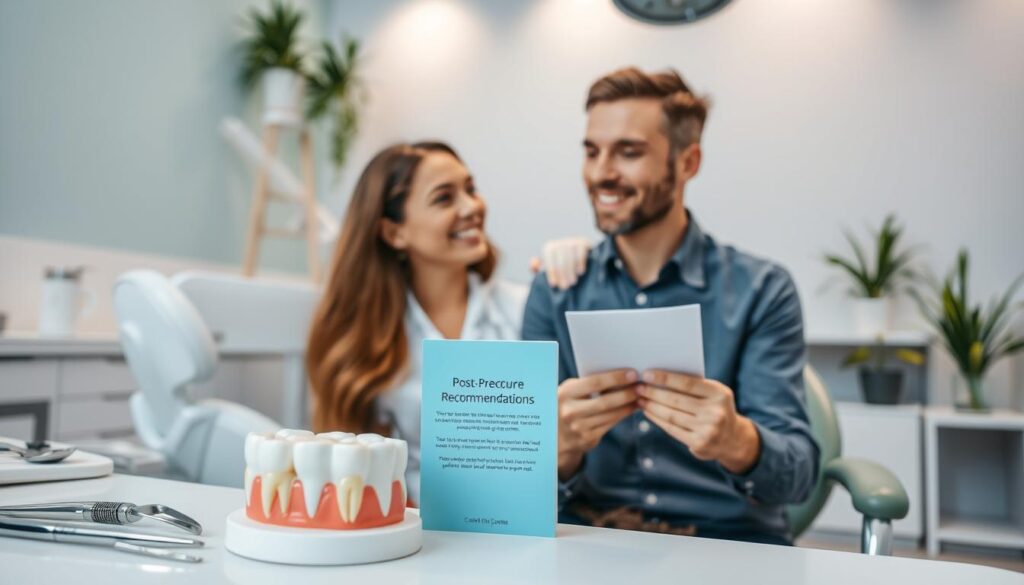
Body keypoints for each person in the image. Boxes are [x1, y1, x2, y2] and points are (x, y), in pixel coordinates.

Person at [522, 67, 819, 545]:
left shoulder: (763, 291)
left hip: (726, 546)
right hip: (589, 546)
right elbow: (521, 480)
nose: (601, 173)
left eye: (629, 152)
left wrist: (739, 442)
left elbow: (800, 477)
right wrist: (555, 450)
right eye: (591, 151)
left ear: (687, 162)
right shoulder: (556, 290)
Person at [306, 141, 528, 505]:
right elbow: (351, 470)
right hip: (408, 531)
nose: (472, 207)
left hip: (514, 523)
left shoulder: (523, 311)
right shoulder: (367, 337)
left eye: (470, 189)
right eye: (444, 198)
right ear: (395, 233)